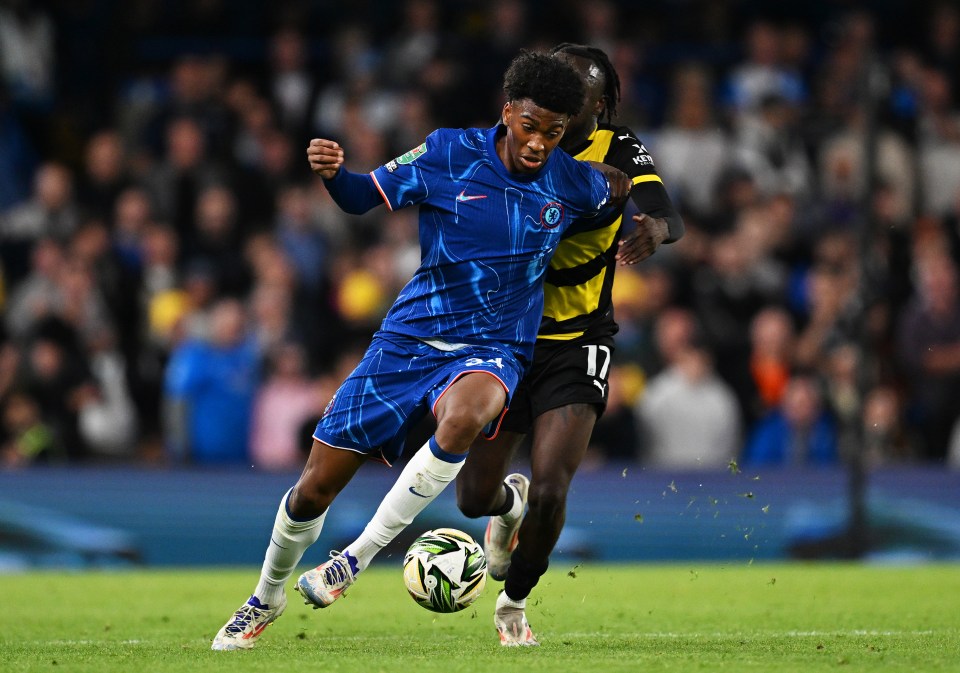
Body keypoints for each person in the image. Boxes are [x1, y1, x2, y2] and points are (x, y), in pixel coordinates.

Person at [211, 50, 630, 651]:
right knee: (313, 489)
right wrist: (334, 174)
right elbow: (361, 197)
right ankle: (265, 596)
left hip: (495, 348)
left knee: (466, 416)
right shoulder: (448, 152)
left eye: (555, 133)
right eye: (531, 126)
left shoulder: (575, 182)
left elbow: (622, 192)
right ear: (508, 112)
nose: (540, 143)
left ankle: (353, 560)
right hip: (409, 340)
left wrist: (639, 214)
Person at [454, 43, 684, 646]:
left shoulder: (618, 148)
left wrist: (655, 229)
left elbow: (666, 211)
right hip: (505, 339)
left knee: (554, 485)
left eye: (576, 97)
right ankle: (508, 509)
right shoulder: (516, 142)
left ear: (599, 107)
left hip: (577, 341)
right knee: (473, 499)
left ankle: (513, 604)